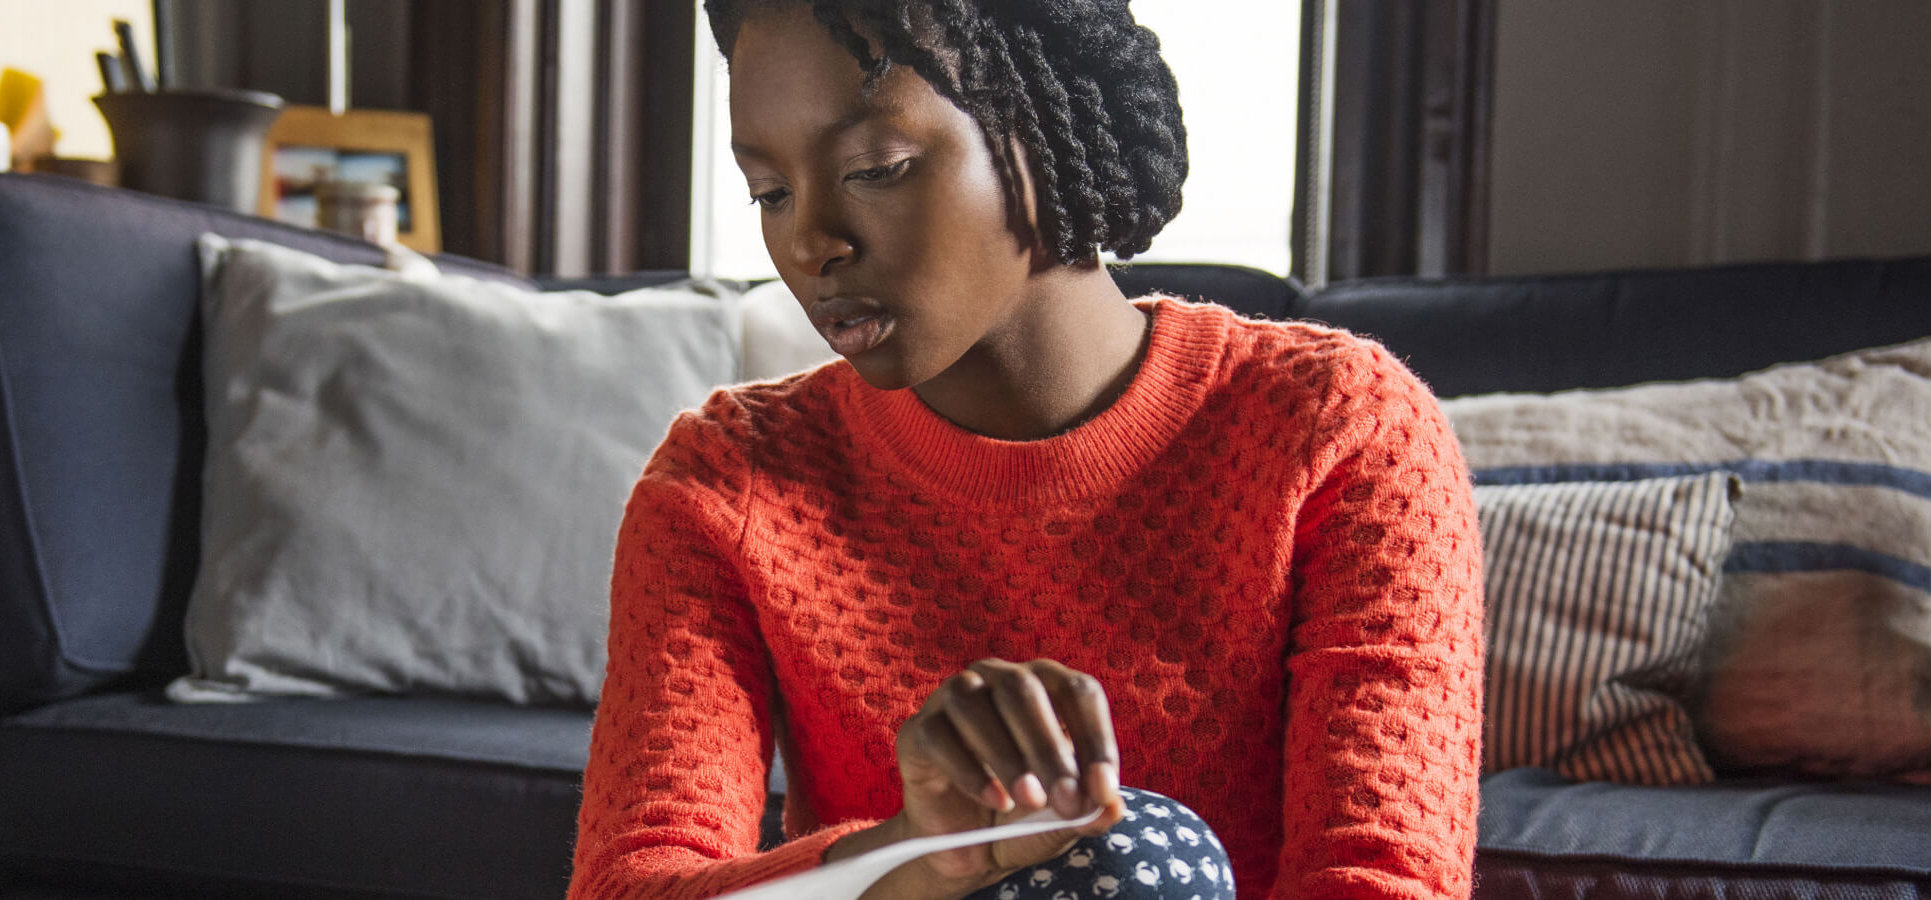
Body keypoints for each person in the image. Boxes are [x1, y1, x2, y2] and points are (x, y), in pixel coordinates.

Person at [568, 1, 1485, 899]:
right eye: (770, 192)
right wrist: (918, 857)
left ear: (1040, 124)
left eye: (875, 168)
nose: (809, 241)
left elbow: (1383, 879)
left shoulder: (1338, 428)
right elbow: (631, 882)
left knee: (1133, 857)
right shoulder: (727, 482)